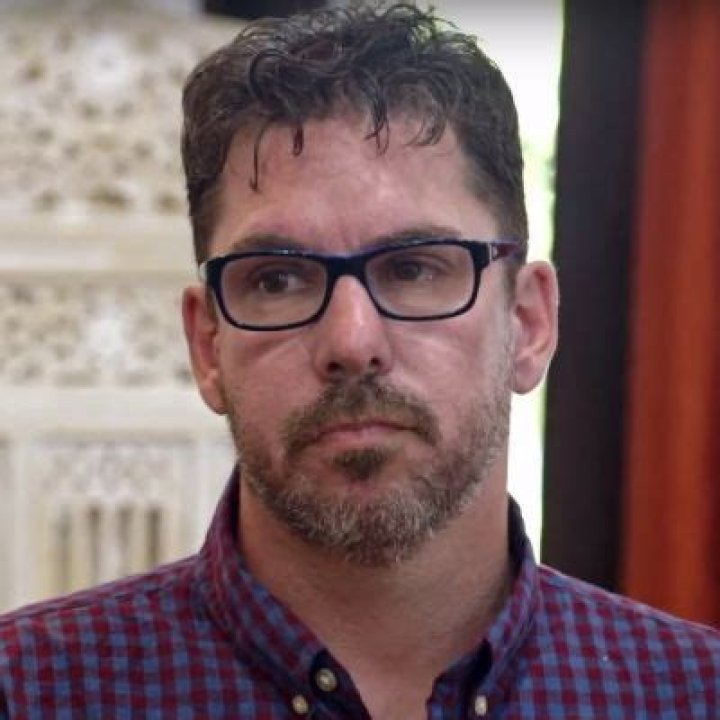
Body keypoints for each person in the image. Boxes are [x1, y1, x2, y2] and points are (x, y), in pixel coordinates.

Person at [1, 3, 718, 718]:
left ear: (529, 324)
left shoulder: (693, 695)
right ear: (207, 345)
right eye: (278, 280)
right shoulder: (30, 693)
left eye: (413, 269)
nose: (351, 341)